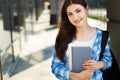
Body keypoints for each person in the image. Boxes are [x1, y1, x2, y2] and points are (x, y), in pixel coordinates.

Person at [51, 0, 112, 80]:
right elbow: (55, 66)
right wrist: (76, 76)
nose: (75, 17)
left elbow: (108, 60)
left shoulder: (102, 35)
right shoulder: (63, 38)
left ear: (86, 9)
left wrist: (100, 64)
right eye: (70, 14)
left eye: (78, 11)